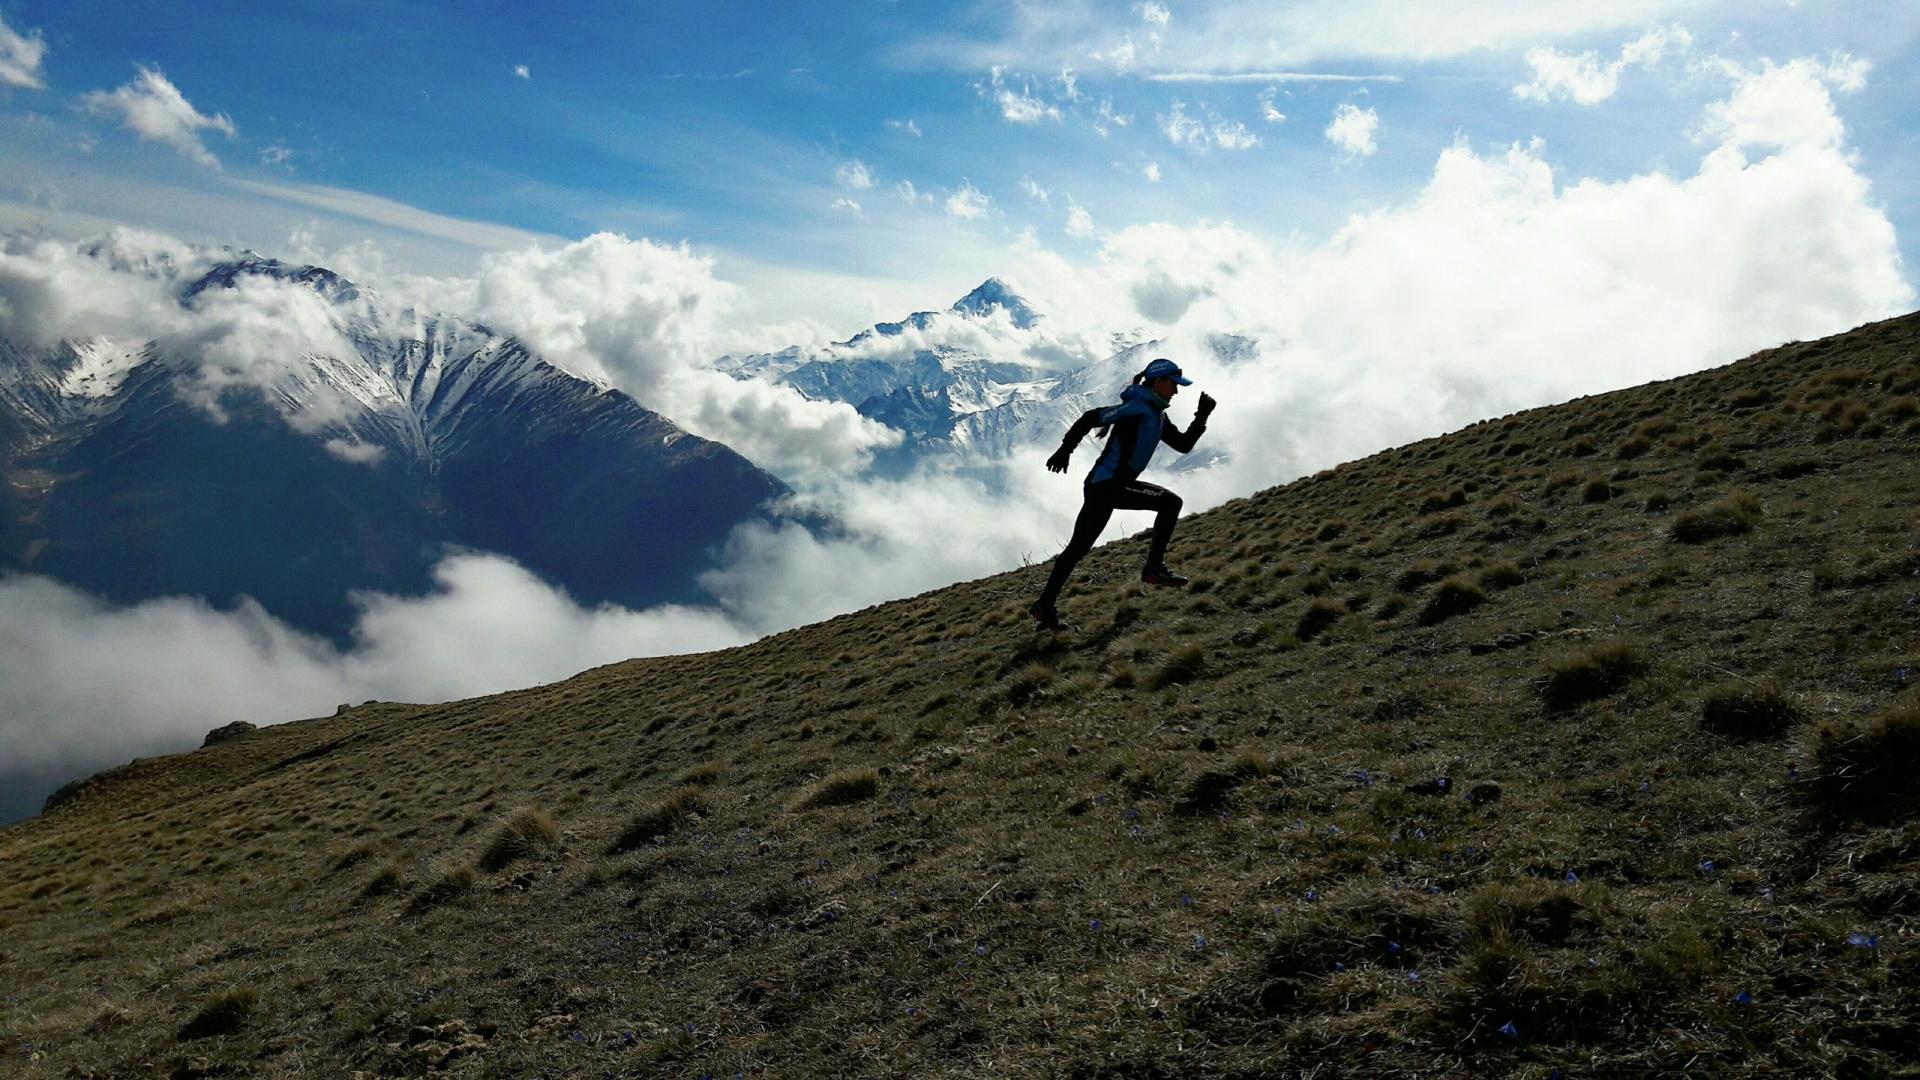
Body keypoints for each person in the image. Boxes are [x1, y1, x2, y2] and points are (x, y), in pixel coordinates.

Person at [1030, 357, 1215, 631]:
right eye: (1173, 385)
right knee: (1170, 503)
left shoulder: (1158, 415)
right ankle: (1154, 568)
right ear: (1159, 382)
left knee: (1077, 550)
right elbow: (1090, 418)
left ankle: (1044, 606)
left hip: (1104, 487)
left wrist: (1202, 416)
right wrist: (1064, 450)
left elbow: (1183, 445)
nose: (1175, 391)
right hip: (1107, 486)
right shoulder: (1138, 408)